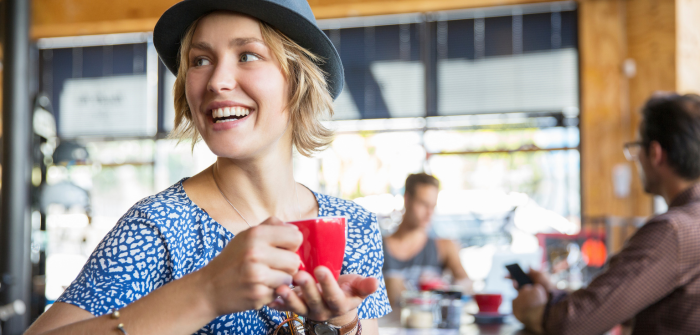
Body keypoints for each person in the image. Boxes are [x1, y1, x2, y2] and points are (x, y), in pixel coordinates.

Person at [26, 1, 391, 334]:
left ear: (298, 80)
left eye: (247, 55)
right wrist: (206, 291)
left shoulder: (354, 226)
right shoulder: (161, 227)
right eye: (200, 61)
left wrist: (344, 324)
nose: (216, 81)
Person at [512, 93, 700, 335]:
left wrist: (533, 311)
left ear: (655, 153)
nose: (637, 160)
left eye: (637, 148)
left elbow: (575, 325)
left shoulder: (673, 231)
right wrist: (552, 295)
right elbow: (610, 305)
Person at [382, 173, 471, 307]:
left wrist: (445, 288)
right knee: (393, 283)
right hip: (389, 325)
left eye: (433, 206)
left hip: (430, 323)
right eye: (423, 204)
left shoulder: (444, 246)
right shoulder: (377, 247)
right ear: (407, 199)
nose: (429, 212)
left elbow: (468, 285)